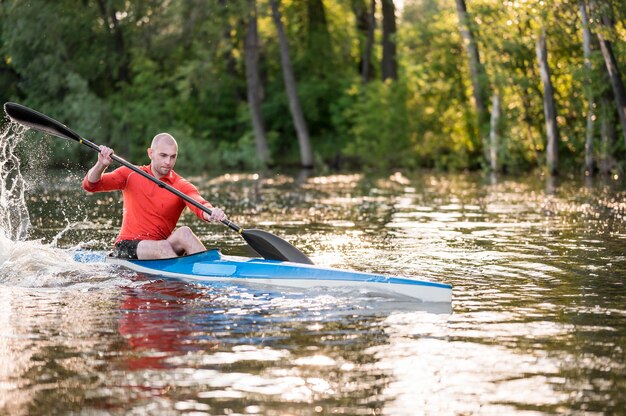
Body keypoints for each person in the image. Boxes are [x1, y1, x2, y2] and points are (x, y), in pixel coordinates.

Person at [82, 132, 227, 260]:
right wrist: (101, 165)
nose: (168, 162)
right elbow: (90, 185)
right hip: (126, 247)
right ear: (150, 153)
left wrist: (211, 213)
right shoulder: (130, 174)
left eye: (172, 157)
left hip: (161, 248)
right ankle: (184, 274)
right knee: (162, 247)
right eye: (163, 155)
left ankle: (211, 271)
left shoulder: (180, 184)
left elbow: (199, 203)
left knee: (185, 233)